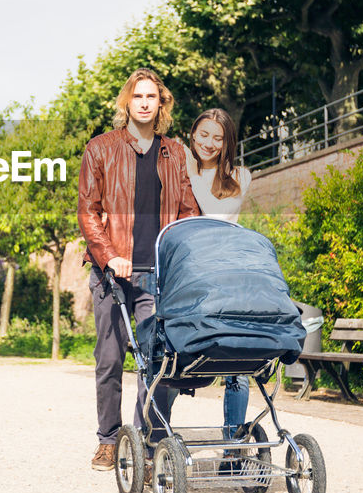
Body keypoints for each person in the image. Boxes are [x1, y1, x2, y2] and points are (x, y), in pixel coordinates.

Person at [78, 68, 200, 472]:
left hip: (155, 274)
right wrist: (109, 255)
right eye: (138, 96)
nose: (145, 103)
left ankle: (147, 440)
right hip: (111, 272)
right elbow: (89, 211)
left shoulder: (175, 153)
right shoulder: (100, 149)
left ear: (160, 104)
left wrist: (183, 256)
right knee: (110, 359)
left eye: (152, 97)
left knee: (158, 358)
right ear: (126, 102)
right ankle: (109, 441)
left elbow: (187, 210)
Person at [183, 108, 254, 441]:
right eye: (203, 134)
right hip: (188, 280)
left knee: (239, 364)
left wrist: (187, 168)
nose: (209, 143)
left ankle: (233, 447)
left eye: (218, 137)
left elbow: (217, 213)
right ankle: (156, 440)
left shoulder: (240, 175)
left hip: (227, 279)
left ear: (228, 143)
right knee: (173, 360)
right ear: (193, 133)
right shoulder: (179, 169)